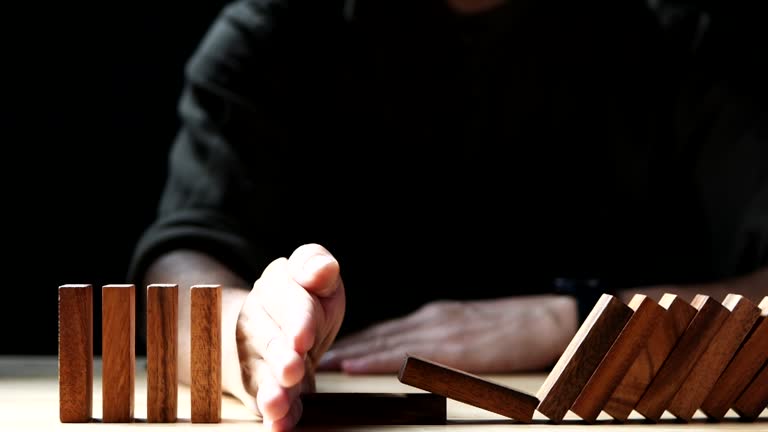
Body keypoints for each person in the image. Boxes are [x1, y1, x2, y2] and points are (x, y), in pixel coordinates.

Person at [128, 0, 767, 430]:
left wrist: (572, 317)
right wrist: (250, 327)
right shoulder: (271, 34)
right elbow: (181, 254)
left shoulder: (673, 44)